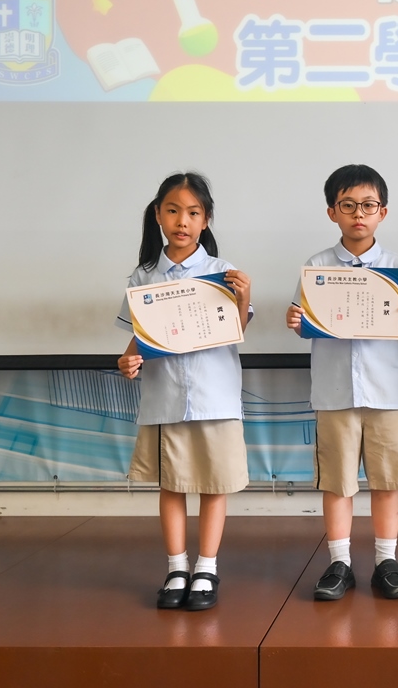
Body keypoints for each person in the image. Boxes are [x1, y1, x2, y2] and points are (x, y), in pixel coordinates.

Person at [286, 164, 398, 601]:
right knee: (337, 482)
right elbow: (305, 324)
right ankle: (339, 562)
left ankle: (386, 561)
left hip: (387, 392)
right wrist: (296, 321)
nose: (358, 214)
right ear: (332, 212)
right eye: (348, 206)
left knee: (387, 481)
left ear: (383, 211)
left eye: (368, 205)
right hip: (335, 392)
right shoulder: (317, 266)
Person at [116, 172, 252, 611]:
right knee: (171, 485)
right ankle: (177, 568)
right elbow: (138, 338)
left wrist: (244, 298)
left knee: (214, 484)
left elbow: (236, 330)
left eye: (193, 213)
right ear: (158, 215)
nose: (182, 221)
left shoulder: (221, 273)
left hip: (215, 396)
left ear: (206, 219)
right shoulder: (143, 276)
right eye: (173, 211)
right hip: (165, 396)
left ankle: (206, 568)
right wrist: (127, 361)